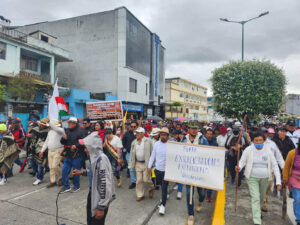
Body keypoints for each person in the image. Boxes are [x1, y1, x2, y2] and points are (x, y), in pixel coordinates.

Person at [235, 132, 282, 225]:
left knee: (261, 198)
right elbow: (242, 161)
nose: (259, 142)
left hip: (265, 178)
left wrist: (278, 182)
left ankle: (258, 210)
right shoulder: (248, 150)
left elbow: (275, 166)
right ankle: (257, 221)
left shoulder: (268, 151)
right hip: (252, 177)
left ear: (264, 141)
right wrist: (239, 167)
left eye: (260, 140)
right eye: (256, 140)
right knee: (255, 197)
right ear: (253, 141)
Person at [74, 131, 115, 225]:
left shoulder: (101, 159)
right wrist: (82, 172)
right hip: (93, 193)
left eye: (86, 147)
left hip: (100, 197)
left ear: (92, 147)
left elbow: (105, 184)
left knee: (96, 222)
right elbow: (95, 173)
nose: (85, 150)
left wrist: (101, 207)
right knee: (90, 220)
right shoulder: (95, 158)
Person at [184, 121, 209, 225]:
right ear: (189, 129)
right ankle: (191, 215)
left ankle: (200, 201)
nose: (194, 130)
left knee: (202, 193)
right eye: (192, 128)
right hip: (188, 171)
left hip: (200, 172)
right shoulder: (183, 140)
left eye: (196, 128)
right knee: (189, 193)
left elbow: (209, 153)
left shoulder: (203, 140)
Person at [261, 128, 285, 212]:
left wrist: (283, 167)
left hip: (270, 172)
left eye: (266, 133)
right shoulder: (254, 143)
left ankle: (263, 199)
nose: (265, 135)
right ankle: (262, 203)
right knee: (259, 190)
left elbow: (278, 157)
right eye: (263, 133)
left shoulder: (272, 144)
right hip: (257, 172)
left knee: (266, 189)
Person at [148, 127, 170, 215]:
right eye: (161, 134)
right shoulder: (156, 144)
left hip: (167, 170)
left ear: (168, 136)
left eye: (165, 135)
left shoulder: (171, 145)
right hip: (157, 169)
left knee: (164, 188)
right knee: (160, 185)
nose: (163, 136)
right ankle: (164, 196)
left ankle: (163, 206)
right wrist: (149, 166)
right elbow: (153, 155)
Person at [128, 127, 154, 201]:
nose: (137, 134)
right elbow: (131, 154)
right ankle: (140, 194)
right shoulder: (134, 142)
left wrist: (152, 164)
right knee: (139, 180)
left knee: (146, 180)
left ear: (143, 133)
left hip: (146, 163)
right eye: (136, 133)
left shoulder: (148, 141)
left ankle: (151, 188)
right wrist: (131, 164)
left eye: (138, 133)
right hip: (138, 163)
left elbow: (152, 153)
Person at [60, 117, 84, 193]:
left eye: (70, 122)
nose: (68, 124)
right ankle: (66, 186)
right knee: (64, 171)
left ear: (74, 123)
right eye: (68, 122)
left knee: (76, 171)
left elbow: (84, 142)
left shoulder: (81, 131)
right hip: (68, 154)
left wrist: (76, 145)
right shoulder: (67, 130)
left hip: (77, 155)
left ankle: (76, 186)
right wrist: (63, 138)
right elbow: (62, 142)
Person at [39, 119, 64, 188]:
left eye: (50, 125)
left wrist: (50, 122)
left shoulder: (60, 130)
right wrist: (42, 151)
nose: (49, 126)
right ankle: (53, 181)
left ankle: (60, 177)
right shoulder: (50, 132)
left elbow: (57, 129)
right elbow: (47, 141)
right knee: (51, 167)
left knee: (54, 166)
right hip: (50, 151)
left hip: (58, 151)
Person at [225, 122, 250, 186]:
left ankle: (238, 183)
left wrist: (241, 146)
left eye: (237, 130)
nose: (235, 132)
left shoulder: (242, 137)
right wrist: (232, 147)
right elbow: (226, 146)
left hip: (240, 156)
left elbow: (247, 145)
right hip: (231, 156)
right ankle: (233, 178)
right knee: (231, 169)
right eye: (234, 130)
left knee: (240, 170)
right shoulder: (229, 137)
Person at [27, 118, 50, 185]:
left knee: (40, 164)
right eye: (40, 124)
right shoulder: (35, 129)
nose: (40, 126)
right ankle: (39, 173)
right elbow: (29, 134)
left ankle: (39, 178)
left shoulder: (47, 132)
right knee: (32, 162)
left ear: (45, 126)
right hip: (33, 149)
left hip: (42, 150)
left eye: (42, 125)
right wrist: (29, 136)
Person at [283, 139, 300, 225]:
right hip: (294, 179)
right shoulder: (292, 153)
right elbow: (286, 166)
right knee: (298, 199)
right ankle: (298, 218)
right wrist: (285, 178)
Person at [122, 121, 137, 189]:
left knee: (138, 168)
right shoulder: (126, 134)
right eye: (131, 127)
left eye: (134, 127)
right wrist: (125, 148)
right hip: (129, 154)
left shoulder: (140, 133)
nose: (133, 128)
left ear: (137, 127)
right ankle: (133, 182)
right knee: (131, 168)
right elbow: (123, 141)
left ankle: (139, 181)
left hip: (138, 154)